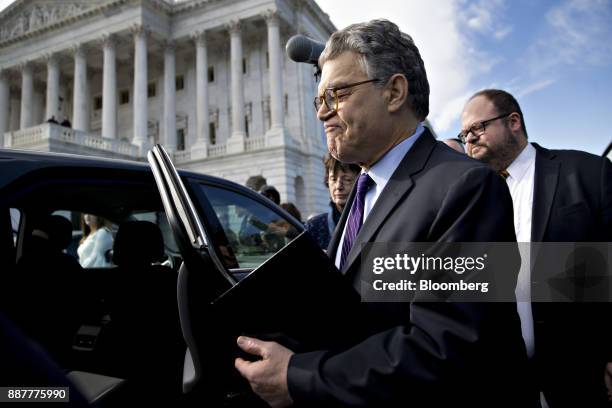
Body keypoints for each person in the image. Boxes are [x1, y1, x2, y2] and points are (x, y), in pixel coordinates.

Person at [234, 19, 531, 407]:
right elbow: (358, 318)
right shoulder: (363, 191)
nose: (322, 113)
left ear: (393, 92)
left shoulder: (466, 188)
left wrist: (301, 375)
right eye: (318, 101)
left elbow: (447, 347)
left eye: (336, 95)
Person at [460, 89, 612, 407]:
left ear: (513, 121)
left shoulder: (588, 173)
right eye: (464, 135)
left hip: (582, 373)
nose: (470, 139)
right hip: (503, 381)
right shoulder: (469, 199)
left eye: (477, 128)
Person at [305, 154, 359, 249]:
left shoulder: (372, 222)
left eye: (347, 179)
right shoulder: (314, 227)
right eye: (333, 179)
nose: (338, 186)